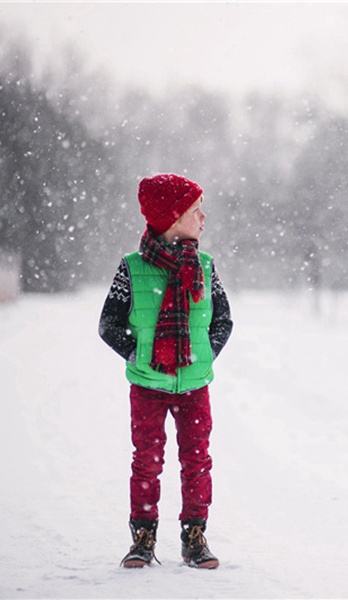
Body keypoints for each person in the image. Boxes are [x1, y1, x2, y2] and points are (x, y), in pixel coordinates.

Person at [99, 173, 233, 569]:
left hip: (195, 386)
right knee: (147, 461)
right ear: (173, 218)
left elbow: (223, 320)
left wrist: (204, 356)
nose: (203, 218)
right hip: (147, 386)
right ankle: (143, 537)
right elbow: (109, 324)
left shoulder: (205, 267)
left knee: (197, 461)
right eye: (195, 211)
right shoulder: (132, 268)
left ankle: (195, 537)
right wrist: (141, 356)